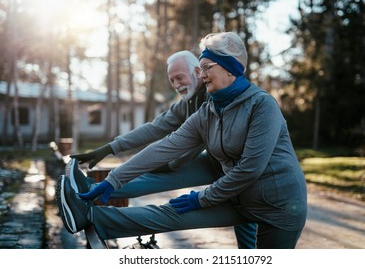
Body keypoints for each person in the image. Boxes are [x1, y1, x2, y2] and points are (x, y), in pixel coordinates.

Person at [57, 32, 307, 249]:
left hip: (279, 207)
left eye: (207, 67)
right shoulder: (208, 111)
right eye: (201, 68)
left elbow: (250, 169)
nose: (203, 74)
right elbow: (165, 146)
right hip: (239, 198)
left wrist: (201, 198)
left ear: (230, 68)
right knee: (172, 211)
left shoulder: (262, 105)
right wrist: (112, 181)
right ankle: (89, 215)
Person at [69, 50, 257, 249]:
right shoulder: (186, 103)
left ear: (196, 72)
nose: (177, 85)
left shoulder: (213, 99)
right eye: (172, 80)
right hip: (216, 161)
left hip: (241, 173)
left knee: (246, 224)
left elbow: (189, 146)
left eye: (179, 78)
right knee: (155, 174)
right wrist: (109, 148)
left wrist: (169, 164)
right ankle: (88, 192)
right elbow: (154, 128)